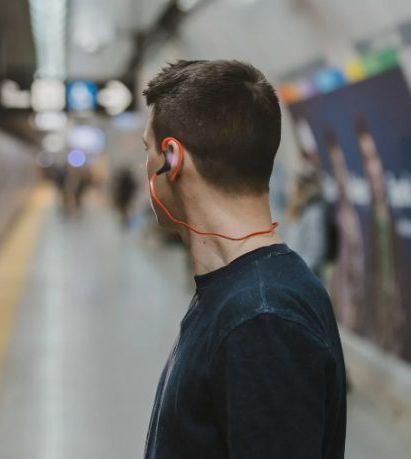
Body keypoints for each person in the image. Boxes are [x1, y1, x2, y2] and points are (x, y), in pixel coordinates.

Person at [141, 60, 346, 459]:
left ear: (172, 158)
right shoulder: (242, 292)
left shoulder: (262, 318)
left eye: (145, 149)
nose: (143, 165)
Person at [355, 117, 405, 353]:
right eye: (365, 159)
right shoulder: (369, 220)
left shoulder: (396, 218)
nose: (372, 168)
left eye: (374, 157)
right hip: (383, 327)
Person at [325, 129, 365, 333]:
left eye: (341, 167)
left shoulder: (353, 216)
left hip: (350, 300)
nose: (339, 175)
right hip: (337, 297)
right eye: (334, 167)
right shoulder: (333, 211)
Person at [284, 163, 328, 277]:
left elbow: (315, 252)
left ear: (303, 187)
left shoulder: (314, 212)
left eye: (292, 183)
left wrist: (296, 274)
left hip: (302, 282)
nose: (289, 188)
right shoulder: (299, 210)